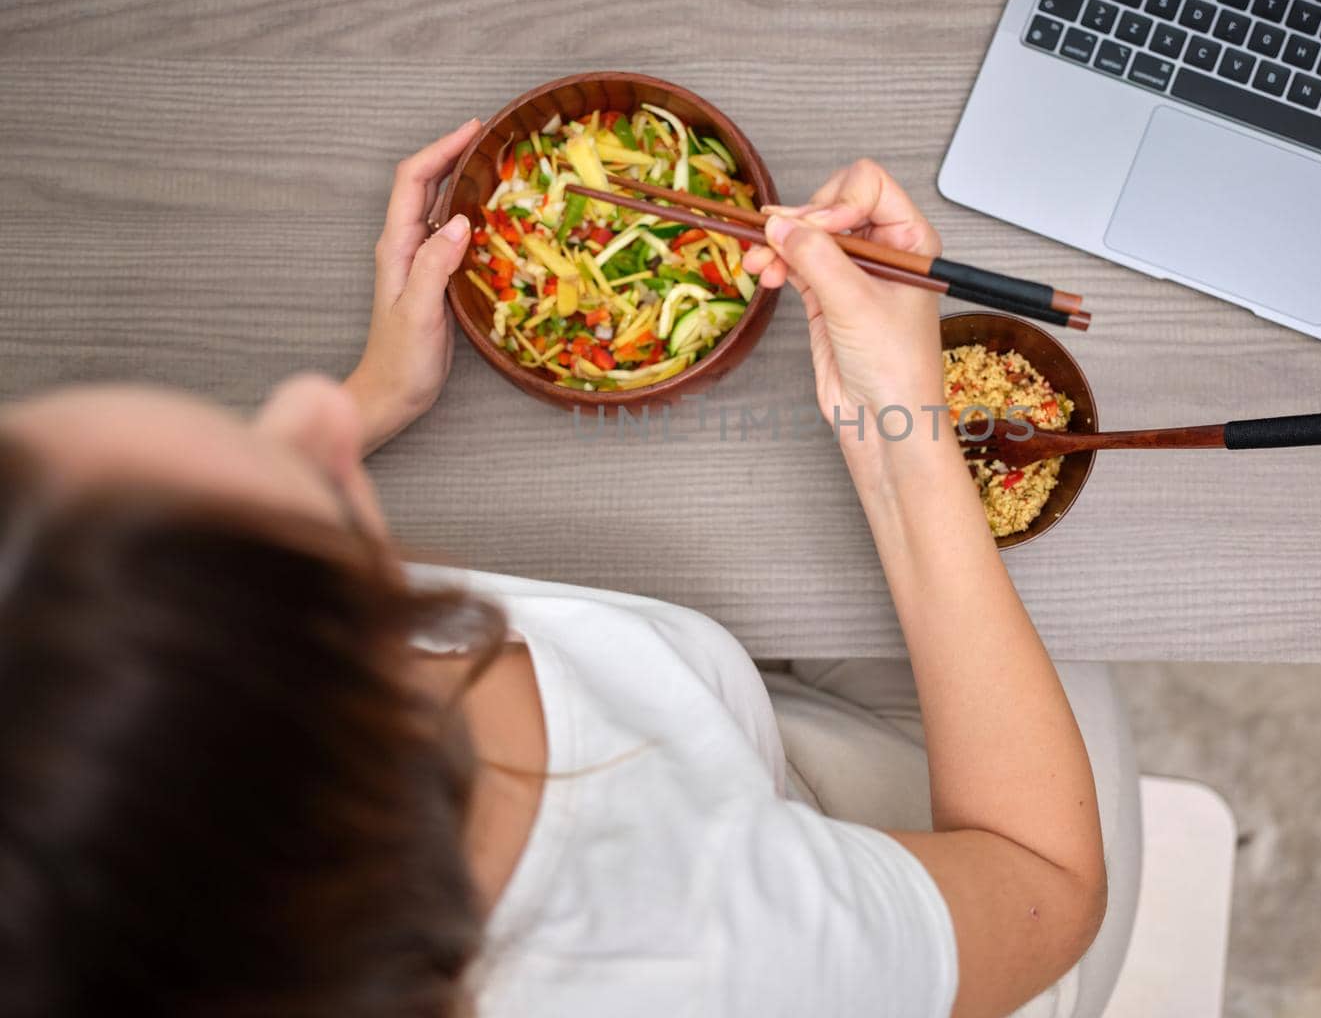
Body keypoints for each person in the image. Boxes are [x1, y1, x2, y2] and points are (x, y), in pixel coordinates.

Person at [0, 120, 1137, 1018]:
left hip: (719, 732)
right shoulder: (709, 951)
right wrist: (904, 433)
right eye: (278, 500)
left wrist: (375, 395)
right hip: (949, 912)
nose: (305, 405)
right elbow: (1045, 880)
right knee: (1084, 658)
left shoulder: (167, 822)